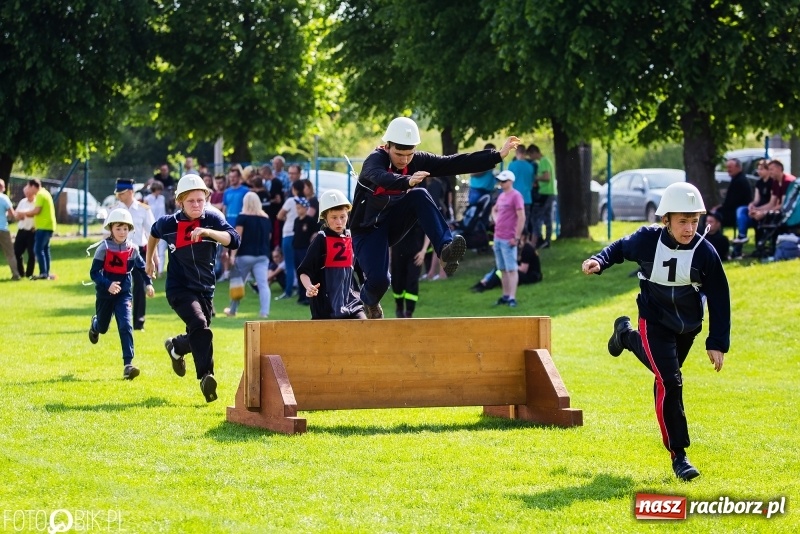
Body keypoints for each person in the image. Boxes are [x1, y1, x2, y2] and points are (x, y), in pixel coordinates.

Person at [581, 181, 730, 481]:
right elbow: (620, 248)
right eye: (682, 222)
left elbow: (719, 297)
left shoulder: (705, 252)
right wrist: (599, 260)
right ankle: (680, 456)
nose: (689, 229)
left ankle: (624, 335)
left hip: (687, 328)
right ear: (666, 220)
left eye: (694, 221)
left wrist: (717, 342)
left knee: (665, 377)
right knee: (670, 382)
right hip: (654, 319)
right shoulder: (648, 240)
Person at [351, 116, 520, 318]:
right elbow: (379, 177)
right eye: (399, 154)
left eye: (409, 154)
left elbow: (453, 163)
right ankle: (368, 301)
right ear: (387, 146)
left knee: (420, 194)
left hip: (394, 222)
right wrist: (406, 181)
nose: (404, 160)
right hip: (367, 229)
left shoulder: (417, 160)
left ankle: (445, 250)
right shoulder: (375, 160)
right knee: (381, 281)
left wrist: (496, 156)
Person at [146, 174, 241, 403]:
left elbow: (234, 240)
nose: (197, 205)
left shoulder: (213, 218)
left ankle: (176, 346)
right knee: (199, 325)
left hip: (205, 289)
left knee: (201, 333)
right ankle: (206, 376)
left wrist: (208, 233)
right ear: (180, 201)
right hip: (178, 288)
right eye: (191, 201)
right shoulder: (169, 223)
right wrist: (150, 260)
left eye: (201, 200)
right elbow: (153, 233)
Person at [88, 209, 155, 380]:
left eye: (125, 228)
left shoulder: (133, 249)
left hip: (124, 295)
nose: (122, 232)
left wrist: (148, 284)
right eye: (118, 228)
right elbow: (94, 273)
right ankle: (95, 324)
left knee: (126, 325)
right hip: (105, 295)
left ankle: (128, 365)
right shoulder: (103, 248)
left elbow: (141, 268)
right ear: (111, 229)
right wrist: (107, 284)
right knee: (103, 328)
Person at [297, 189, 366, 320]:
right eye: (334, 218)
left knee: (364, 332)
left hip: (352, 303)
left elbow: (360, 268)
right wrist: (309, 287)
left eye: (342, 217)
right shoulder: (321, 239)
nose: (339, 222)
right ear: (325, 219)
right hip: (326, 307)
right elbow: (304, 270)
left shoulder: (352, 238)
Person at [108, 178, 155, 331]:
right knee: (115, 286)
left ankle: (138, 323)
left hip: (138, 252)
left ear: (130, 192)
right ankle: (111, 319)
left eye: (121, 193)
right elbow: (106, 233)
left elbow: (152, 233)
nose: (119, 197)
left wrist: (154, 256)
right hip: (118, 252)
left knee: (140, 287)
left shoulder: (144, 209)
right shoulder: (113, 209)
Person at [223, 192, 272, 318]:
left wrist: (232, 255)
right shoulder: (266, 218)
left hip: (245, 255)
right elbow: (269, 237)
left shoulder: (242, 217)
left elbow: (238, 237)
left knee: (238, 283)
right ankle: (264, 312)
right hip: (262, 255)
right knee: (263, 285)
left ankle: (232, 310)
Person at [490, 170, 526, 307]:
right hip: (498, 237)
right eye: (500, 181)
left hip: (509, 238)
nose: (501, 183)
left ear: (510, 181)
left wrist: (516, 237)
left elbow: (522, 217)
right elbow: (495, 210)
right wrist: (497, 220)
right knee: (503, 269)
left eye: (503, 181)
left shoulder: (516, 196)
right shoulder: (501, 196)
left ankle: (512, 297)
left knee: (511, 269)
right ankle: (505, 295)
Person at [470, 234, 542, 292]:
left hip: (531, 276)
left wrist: (511, 266)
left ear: (523, 236)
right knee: (500, 267)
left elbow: (523, 269)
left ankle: (486, 285)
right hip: (527, 273)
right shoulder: (522, 247)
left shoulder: (527, 249)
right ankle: (484, 282)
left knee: (502, 271)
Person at [17, 179, 57, 280]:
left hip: (43, 226)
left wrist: (23, 213)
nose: (29, 190)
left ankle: (43, 273)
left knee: (38, 249)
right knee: (45, 249)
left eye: (29, 187)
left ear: (33, 186)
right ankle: (46, 273)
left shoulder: (40, 194)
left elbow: (36, 211)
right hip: (48, 225)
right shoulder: (45, 193)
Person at [390, 223, 429, 318]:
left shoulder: (420, 210)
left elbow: (429, 231)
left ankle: (409, 312)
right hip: (397, 253)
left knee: (412, 282)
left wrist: (423, 251)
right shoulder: (394, 209)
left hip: (415, 254)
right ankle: (399, 307)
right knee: (397, 282)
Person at [275, 180, 306, 300]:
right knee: (300, 264)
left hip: (288, 233)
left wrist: (287, 217)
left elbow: (279, 215)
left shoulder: (290, 201)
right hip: (300, 235)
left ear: (294, 189)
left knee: (289, 264)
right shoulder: (305, 201)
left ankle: (288, 291)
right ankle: (301, 290)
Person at [714, 158, 752, 239]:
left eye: (730, 167)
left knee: (713, 216)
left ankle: (716, 239)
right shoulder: (737, 179)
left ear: (738, 167)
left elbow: (732, 202)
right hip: (733, 210)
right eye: (727, 167)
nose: (728, 170)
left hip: (735, 213)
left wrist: (720, 208)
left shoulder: (739, 181)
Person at [529, 144, 556, 248]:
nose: (531, 159)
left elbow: (547, 177)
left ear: (534, 153)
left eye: (530, 156)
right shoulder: (546, 160)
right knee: (548, 218)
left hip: (545, 193)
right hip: (550, 192)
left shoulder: (543, 162)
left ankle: (538, 239)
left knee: (537, 217)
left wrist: (536, 178)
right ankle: (547, 241)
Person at [292, 197, 315, 305]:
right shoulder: (296, 220)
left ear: (306, 208)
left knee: (305, 272)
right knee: (298, 272)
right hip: (296, 248)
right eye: (297, 207)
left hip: (305, 249)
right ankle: (301, 296)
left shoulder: (310, 220)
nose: (298, 209)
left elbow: (316, 232)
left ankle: (308, 296)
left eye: (300, 207)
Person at [507, 145, 535, 236]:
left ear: (516, 152)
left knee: (513, 223)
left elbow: (508, 182)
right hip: (527, 198)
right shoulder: (530, 166)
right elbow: (531, 183)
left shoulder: (512, 165)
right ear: (525, 153)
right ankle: (524, 244)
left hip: (514, 199)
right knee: (524, 223)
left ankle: (514, 243)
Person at [143, 180, 168, 275]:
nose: (159, 191)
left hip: (162, 224)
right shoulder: (147, 198)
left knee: (161, 247)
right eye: (158, 189)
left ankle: (160, 271)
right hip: (151, 225)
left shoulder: (162, 198)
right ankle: (150, 268)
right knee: (152, 248)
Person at [13, 182, 36, 278]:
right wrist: (19, 216)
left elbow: (34, 214)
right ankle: (20, 272)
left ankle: (29, 273)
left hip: (32, 231)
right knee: (17, 252)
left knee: (32, 253)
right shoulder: (23, 202)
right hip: (22, 230)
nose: (27, 194)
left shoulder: (37, 202)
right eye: (26, 193)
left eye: (29, 192)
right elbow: (16, 214)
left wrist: (24, 214)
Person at [0, 179, 21, 280]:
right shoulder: (4, 198)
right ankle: (15, 274)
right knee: (9, 253)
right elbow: (12, 214)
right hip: (2, 228)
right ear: (2, 187)